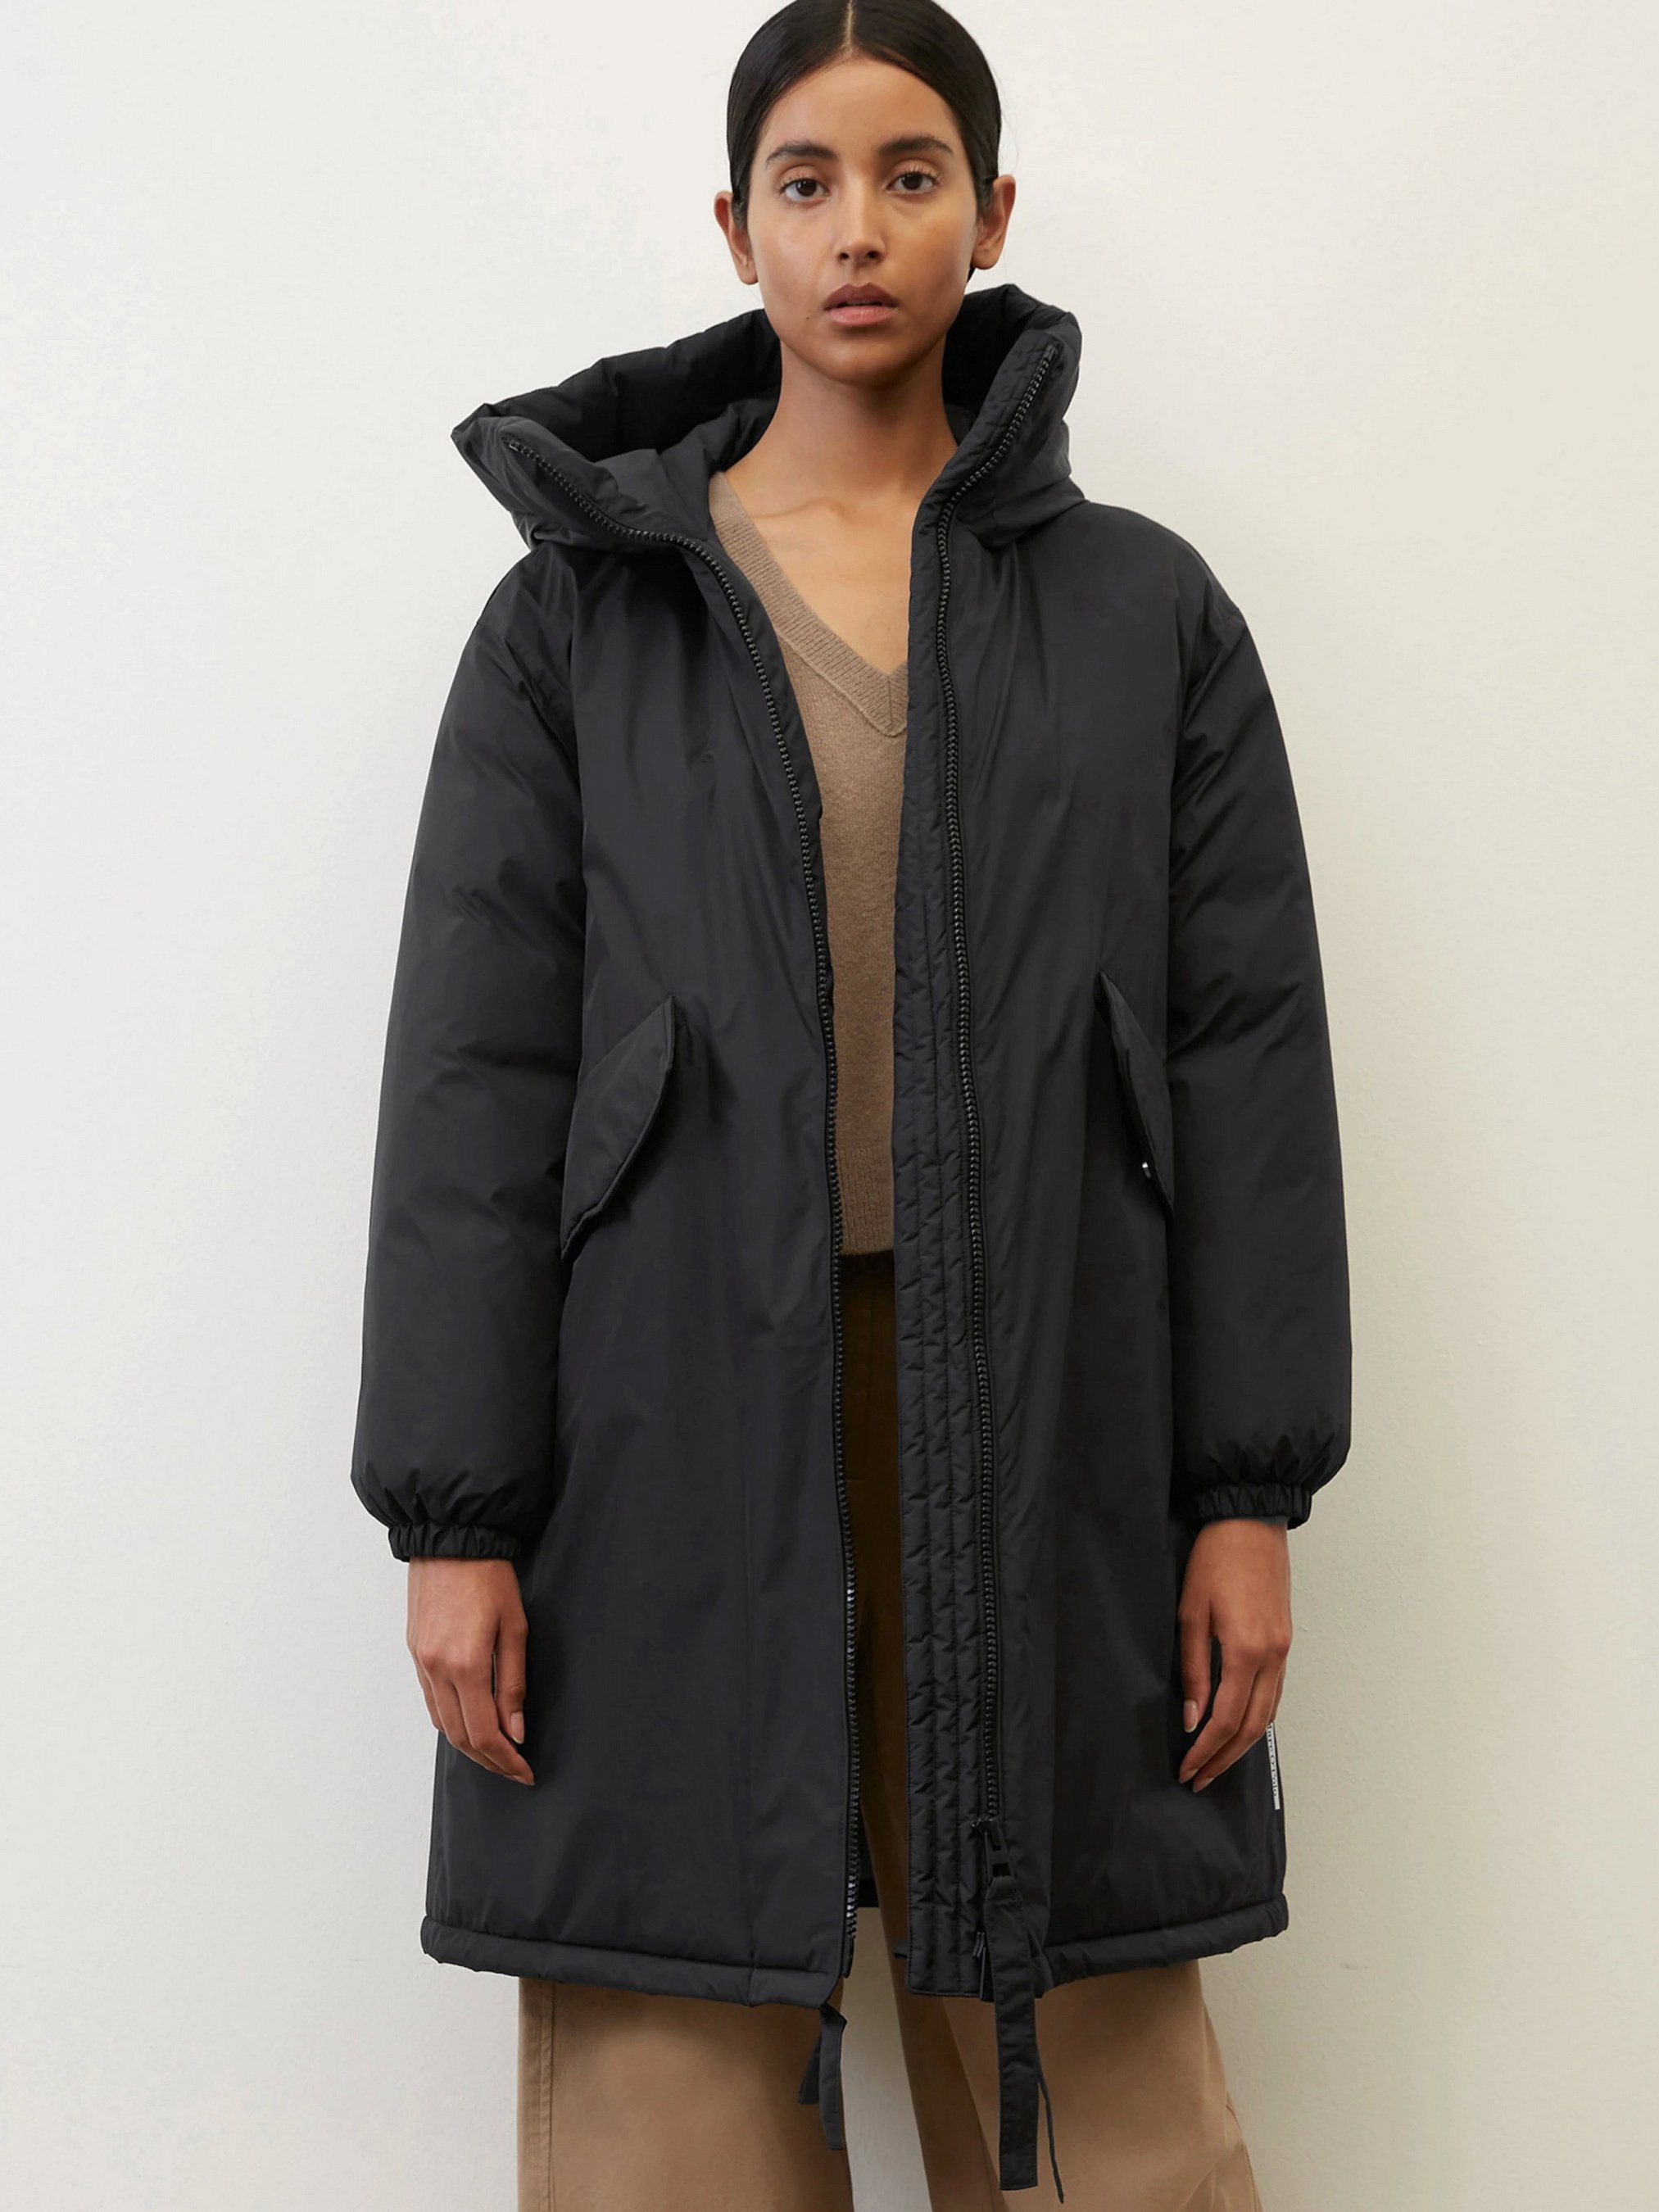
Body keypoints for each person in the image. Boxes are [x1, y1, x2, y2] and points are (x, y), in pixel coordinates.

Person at [349, 2, 1350, 2205]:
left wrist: (1243, 1492)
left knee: (1105, 2098)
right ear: (737, 228)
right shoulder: (579, 622)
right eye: (806, 181)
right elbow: (475, 1080)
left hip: (1048, 1404)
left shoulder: (1144, 615)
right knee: (674, 2085)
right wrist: (455, 1520)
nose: (859, 228)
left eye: (912, 174)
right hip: (667, 1413)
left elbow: (1242, 1064)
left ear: (991, 215)